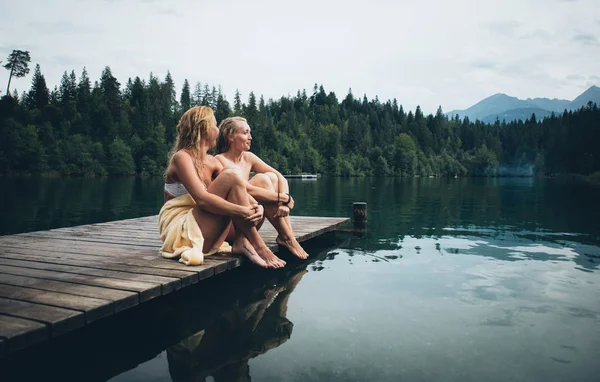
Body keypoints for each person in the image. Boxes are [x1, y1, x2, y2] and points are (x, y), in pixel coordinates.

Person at [160, 106, 286, 268]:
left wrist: (257, 206)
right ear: (204, 129)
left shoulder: (212, 161)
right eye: (215, 125)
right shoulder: (182, 157)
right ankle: (260, 247)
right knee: (231, 174)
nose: (218, 131)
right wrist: (242, 210)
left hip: (204, 228)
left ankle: (242, 241)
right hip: (182, 233)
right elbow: (202, 199)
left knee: (233, 175)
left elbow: (239, 187)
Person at [215, 117, 309, 259]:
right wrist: (284, 198)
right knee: (262, 179)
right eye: (246, 133)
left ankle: (287, 235)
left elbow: (280, 177)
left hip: (250, 220)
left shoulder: (248, 157)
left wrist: (284, 204)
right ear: (230, 136)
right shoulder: (220, 160)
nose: (250, 137)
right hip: (232, 227)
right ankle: (287, 237)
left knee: (270, 177)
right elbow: (248, 189)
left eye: (250, 133)